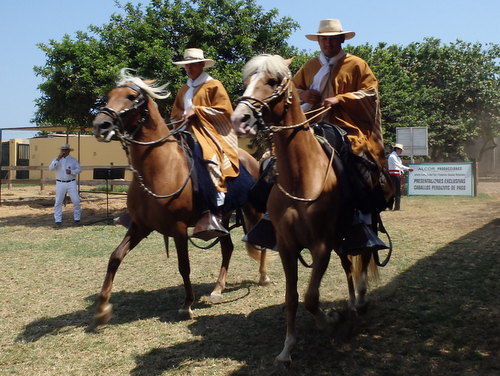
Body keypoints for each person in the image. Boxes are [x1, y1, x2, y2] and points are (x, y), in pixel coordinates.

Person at [293, 18, 391, 252]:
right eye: (323, 39)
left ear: (341, 39)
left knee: (360, 160)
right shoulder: (309, 66)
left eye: (332, 39)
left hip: (347, 127)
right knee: (277, 155)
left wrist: (341, 99)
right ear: (319, 41)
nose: (327, 43)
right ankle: (271, 216)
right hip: (311, 123)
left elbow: (371, 94)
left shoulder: (357, 64)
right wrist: (304, 95)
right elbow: (291, 91)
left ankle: (363, 219)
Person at [170, 48, 240, 240]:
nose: (189, 68)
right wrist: (181, 118)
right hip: (183, 133)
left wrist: (197, 111)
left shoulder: (213, 85)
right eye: (186, 64)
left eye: (193, 64)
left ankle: (214, 207)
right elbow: (175, 113)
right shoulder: (183, 89)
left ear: (202, 65)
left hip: (209, 134)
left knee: (206, 157)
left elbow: (225, 110)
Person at [48, 143, 82, 226]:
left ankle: (77, 219)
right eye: (62, 150)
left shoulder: (73, 160)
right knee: (58, 202)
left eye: (66, 150)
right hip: (60, 182)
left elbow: (79, 169)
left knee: (76, 201)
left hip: (71, 182)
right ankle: (58, 220)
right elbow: (51, 168)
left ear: (69, 151)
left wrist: (72, 172)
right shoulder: (56, 160)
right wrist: (57, 160)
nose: (64, 151)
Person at [388, 143, 413, 210]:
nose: (401, 151)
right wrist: (408, 168)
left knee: (398, 192)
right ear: (397, 149)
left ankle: (397, 207)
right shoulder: (392, 156)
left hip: (397, 175)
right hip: (393, 176)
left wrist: (402, 172)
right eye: (401, 150)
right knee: (393, 191)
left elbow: (400, 167)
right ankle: (390, 206)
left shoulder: (397, 158)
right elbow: (399, 166)